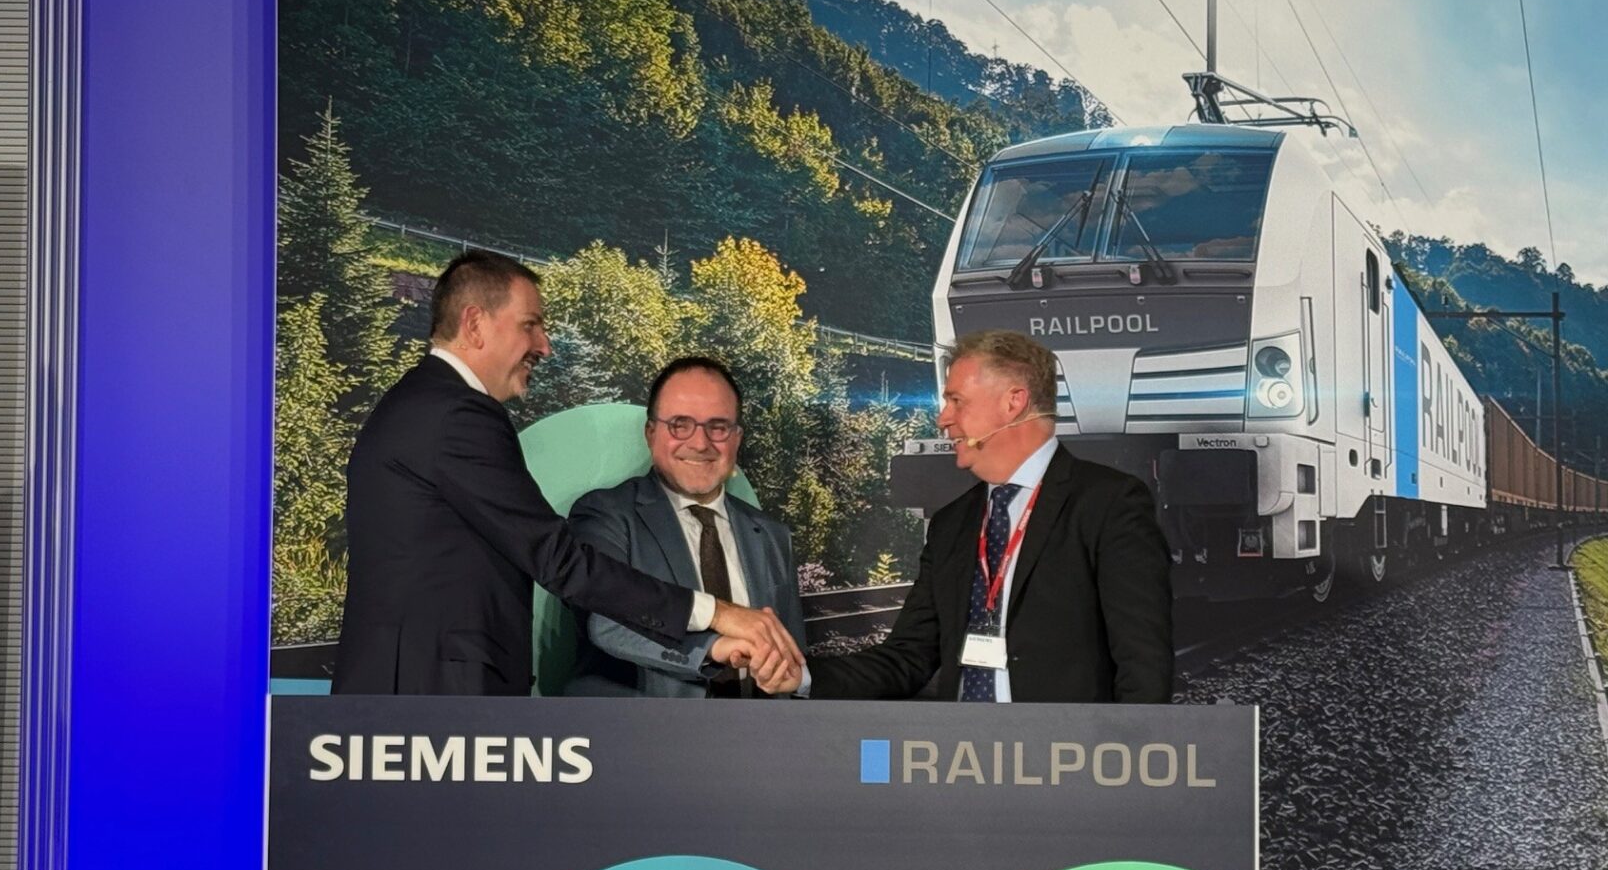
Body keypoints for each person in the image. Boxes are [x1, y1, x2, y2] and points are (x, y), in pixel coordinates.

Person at [336, 250, 800, 695]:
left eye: (718, 426)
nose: (544, 345)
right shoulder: (459, 414)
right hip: (426, 698)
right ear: (474, 324)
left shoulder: (423, 403)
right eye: (530, 325)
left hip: (413, 691)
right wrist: (717, 613)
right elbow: (559, 560)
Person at [761, 329, 1171, 703]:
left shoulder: (1109, 503)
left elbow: (1144, 666)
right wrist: (802, 677)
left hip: (1064, 754)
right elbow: (907, 659)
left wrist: (1127, 756)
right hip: (963, 754)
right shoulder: (951, 524)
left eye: (957, 401)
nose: (943, 418)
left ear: (1013, 402)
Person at [565, 357, 806, 698]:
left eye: (718, 427)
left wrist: (792, 681)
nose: (700, 443)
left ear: (737, 438)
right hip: (638, 728)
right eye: (680, 424)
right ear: (651, 434)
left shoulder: (771, 535)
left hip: (755, 728)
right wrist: (712, 647)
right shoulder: (606, 515)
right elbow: (605, 623)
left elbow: (792, 654)